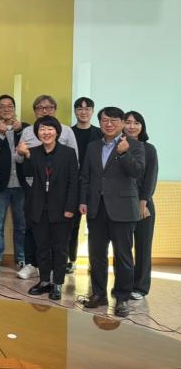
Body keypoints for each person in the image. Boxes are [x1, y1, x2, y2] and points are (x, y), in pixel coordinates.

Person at [80, 106, 145, 317]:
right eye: (104, 120)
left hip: (123, 210)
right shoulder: (92, 146)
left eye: (114, 120)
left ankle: (122, 297)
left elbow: (137, 172)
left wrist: (124, 153)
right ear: (100, 123)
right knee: (96, 255)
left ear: (122, 123)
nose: (108, 124)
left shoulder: (134, 145)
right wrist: (83, 201)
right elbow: (86, 176)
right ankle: (99, 294)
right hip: (96, 209)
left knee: (123, 256)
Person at [15, 94, 78, 280]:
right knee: (39, 241)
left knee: (59, 245)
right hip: (37, 200)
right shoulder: (31, 143)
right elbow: (24, 167)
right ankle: (41, 277)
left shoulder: (67, 145)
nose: (46, 132)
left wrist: (70, 206)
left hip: (60, 201)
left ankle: (56, 281)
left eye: (49, 107)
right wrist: (24, 154)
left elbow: (74, 175)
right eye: (40, 108)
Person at [0, 95, 29, 273]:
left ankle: (22, 258)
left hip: (22, 184)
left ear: (14, 108)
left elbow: (29, 152)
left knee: (22, 224)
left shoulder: (26, 128)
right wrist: (0, 134)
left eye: (10, 106)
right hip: (0, 184)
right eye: (2, 106)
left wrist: (19, 132)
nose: (6, 109)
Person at [123, 111, 158, 300]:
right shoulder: (118, 146)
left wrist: (143, 203)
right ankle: (125, 285)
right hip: (122, 203)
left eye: (136, 123)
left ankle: (140, 287)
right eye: (128, 122)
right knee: (123, 247)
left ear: (142, 126)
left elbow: (151, 178)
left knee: (143, 247)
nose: (131, 126)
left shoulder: (149, 149)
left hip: (143, 204)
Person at [68, 96, 102, 273]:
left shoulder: (100, 133)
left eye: (87, 108)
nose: (83, 112)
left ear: (92, 111)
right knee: (71, 226)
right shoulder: (68, 132)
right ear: (75, 111)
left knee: (95, 227)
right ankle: (71, 260)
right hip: (73, 185)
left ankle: (93, 262)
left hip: (94, 186)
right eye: (79, 108)